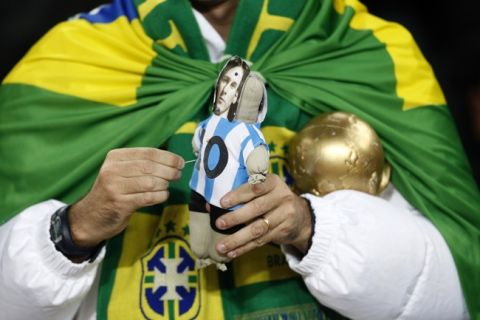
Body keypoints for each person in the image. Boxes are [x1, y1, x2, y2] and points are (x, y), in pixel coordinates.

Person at [0, 0, 478, 320]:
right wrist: (74, 230)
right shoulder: (72, 62)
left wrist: (311, 229)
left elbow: (451, 294)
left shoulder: (364, 49)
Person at [189, 56, 270, 270]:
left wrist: (257, 170)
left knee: (222, 223)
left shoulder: (246, 130)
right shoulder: (214, 119)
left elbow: (256, 152)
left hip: (226, 194)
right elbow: (202, 131)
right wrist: (197, 142)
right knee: (198, 215)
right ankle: (199, 251)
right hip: (201, 182)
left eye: (234, 86)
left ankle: (217, 256)